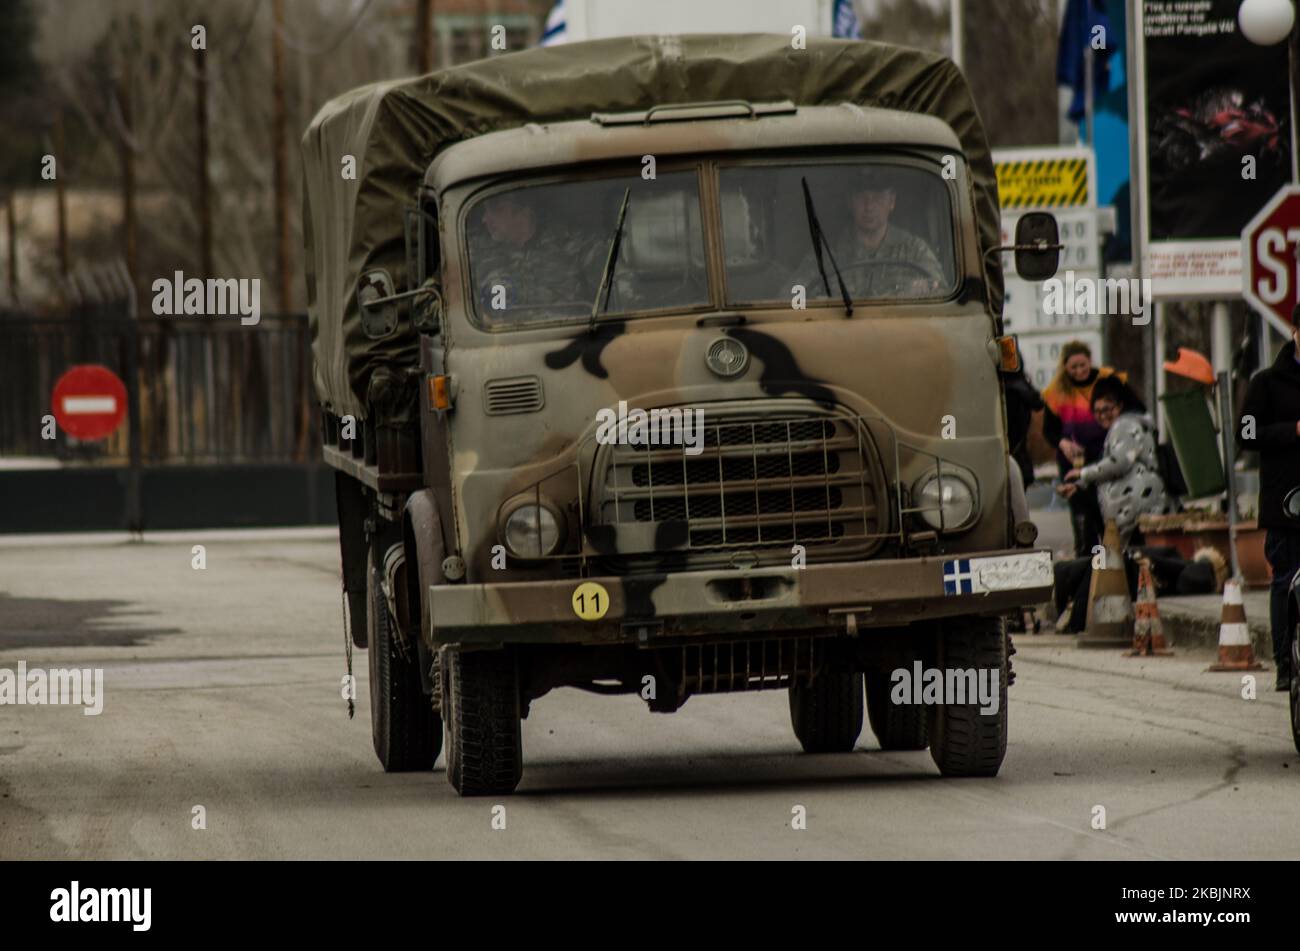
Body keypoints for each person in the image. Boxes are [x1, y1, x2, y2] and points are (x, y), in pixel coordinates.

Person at [1237, 311, 1300, 692]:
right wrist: (1292, 431)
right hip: (1286, 500)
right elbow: (1246, 433)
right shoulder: (1268, 382)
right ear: (1294, 333)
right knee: (1285, 580)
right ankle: (1284, 662)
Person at [792, 168, 944, 299]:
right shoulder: (828, 253)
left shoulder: (914, 250)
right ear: (850, 202)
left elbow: (944, 294)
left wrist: (924, 291)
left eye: (878, 198)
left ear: (892, 201)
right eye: (861, 197)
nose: (869, 206)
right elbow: (792, 296)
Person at [1061, 375, 1168, 546]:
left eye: (1108, 409)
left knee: (1132, 561)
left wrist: (1083, 473)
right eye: (1097, 411)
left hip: (1137, 508)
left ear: (1121, 405)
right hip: (1143, 507)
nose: (1103, 416)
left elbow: (1119, 463)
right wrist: (1080, 483)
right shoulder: (1135, 422)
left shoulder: (1124, 425)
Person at [1041, 341, 1120, 555]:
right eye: (1073, 367)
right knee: (1082, 516)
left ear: (1090, 361)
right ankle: (1087, 560)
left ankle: (1113, 559)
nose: (1079, 371)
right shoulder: (1057, 391)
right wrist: (1062, 442)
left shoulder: (1106, 380)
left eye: (1083, 365)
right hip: (1073, 460)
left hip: (1104, 456)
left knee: (1105, 510)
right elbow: (1049, 430)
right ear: (1065, 368)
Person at [470, 191, 600, 318]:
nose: (485, 219)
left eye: (496, 209)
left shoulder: (573, 244)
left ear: (524, 210)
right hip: (500, 338)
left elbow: (611, 294)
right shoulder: (476, 252)